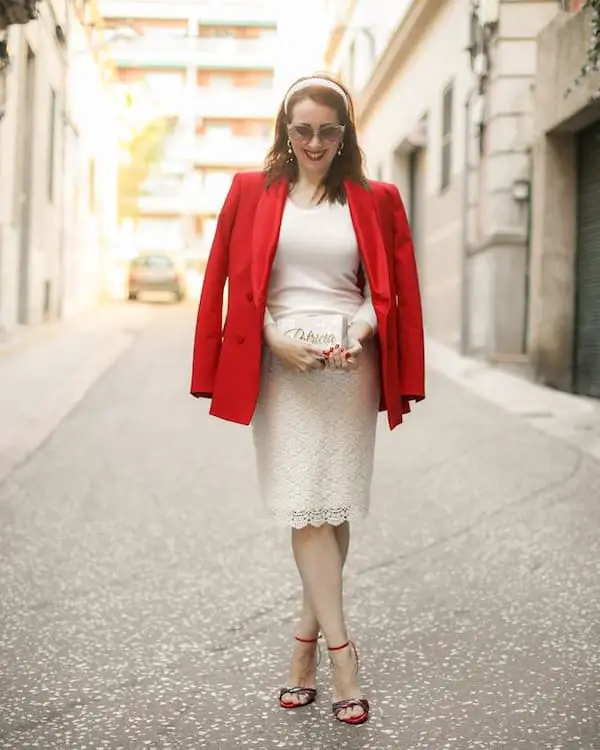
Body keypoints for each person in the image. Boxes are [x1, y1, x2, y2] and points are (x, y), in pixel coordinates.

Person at [190, 73, 425, 726]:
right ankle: (342, 655)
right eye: (303, 130)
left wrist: (359, 331)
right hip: (283, 367)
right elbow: (234, 278)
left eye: (328, 130)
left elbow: (388, 289)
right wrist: (270, 337)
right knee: (307, 507)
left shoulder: (376, 198)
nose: (315, 142)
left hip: (350, 364)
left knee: (332, 501)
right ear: (284, 132)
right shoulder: (250, 192)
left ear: (343, 135)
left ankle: (302, 646)